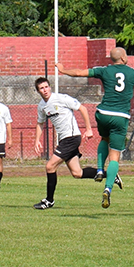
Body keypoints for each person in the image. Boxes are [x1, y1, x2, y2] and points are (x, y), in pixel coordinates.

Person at [57, 47, 134, 209]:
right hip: (120, 117)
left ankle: (100, 169)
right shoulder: (133, 73)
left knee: (104, 138)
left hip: (103, 113)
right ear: (123, 58)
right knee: (115, 156)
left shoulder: (104, 70)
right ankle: (108, 188)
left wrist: (63, 70)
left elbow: (80, 73)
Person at [32, 77, 97, 209]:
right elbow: (40, 123)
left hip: (71, 138)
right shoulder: (42, 106)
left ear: (50, 87)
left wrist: (89, 129)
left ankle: (49, 200)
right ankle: (110, 175)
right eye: (41, 88)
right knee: (77, 173)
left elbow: (82, 109)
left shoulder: (61, 98)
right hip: (64, 140)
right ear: (38, 91)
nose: (45, 90)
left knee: (50, 166)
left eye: (46, 87)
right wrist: (37, 140)